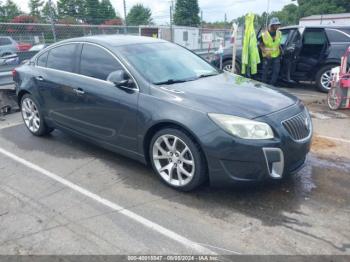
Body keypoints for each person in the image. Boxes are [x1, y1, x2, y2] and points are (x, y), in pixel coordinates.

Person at [259, 17, 282, 86]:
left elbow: (278, 43)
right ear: (271, 25)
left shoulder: (279, 33)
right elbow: (261, 45)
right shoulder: (264, 34)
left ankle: (272, 85)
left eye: (278, 24)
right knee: (265, 72)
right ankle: (263, 86)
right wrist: (266, 53)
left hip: (276, 55)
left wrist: (281, 50)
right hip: (267, 56)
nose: (277, 26)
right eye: (276, 24)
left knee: (276, 71)